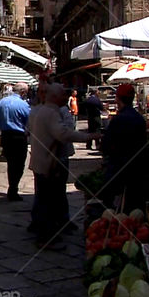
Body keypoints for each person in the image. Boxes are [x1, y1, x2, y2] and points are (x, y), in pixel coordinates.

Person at [27, 83, 98, 245]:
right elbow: (63, 134)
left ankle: (47, 232)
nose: (65, 98)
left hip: (41, 162)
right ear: (54, 97)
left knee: (46, 199)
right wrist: (90, 136)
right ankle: (47, 237)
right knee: (49, 201)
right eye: (62, 95)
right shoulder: (51, 113)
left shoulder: (42, 111)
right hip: (48, 164)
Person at [100, 84, 148, 212]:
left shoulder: (118, 120)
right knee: (134, 210)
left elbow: (106, 146)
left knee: (115, 211)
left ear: (118, 99)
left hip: (118, 169)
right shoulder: (139, 119)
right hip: (137, 169)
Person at [0, 82, 31, 201]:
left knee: (11, 163)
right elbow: (29, 121)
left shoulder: (2, 102)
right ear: (23, 92)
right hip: (19, 136)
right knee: (19, 164)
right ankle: (13, 189)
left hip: (5, 135)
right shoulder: (24, 105)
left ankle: (12, 187)